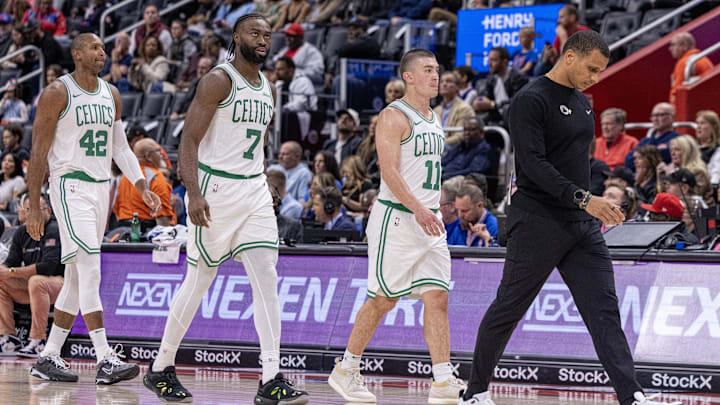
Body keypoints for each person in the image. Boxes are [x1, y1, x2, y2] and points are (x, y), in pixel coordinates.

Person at [459, 31, 680, 405]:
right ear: (571, 57)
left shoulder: (582, 103)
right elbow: (533, 165)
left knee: (604, 309)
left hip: (580, 224)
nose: (595, 77)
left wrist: (597, 198)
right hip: (537, 220)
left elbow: (575, 161)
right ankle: (475, 391)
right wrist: (583, 198)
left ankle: (632, 395)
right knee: (509, 307)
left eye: (600, 71)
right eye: (592, 68)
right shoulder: (530, 99)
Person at [142, 15, 308, 404]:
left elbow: (257, 144)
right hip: (214, 190)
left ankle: (271, 378)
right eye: (255, 33)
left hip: (252, 193)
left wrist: (263, 179)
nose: (263, 40)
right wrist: (194, 193)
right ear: (237, 37)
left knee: (266, 280)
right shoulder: (218, 80)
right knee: (199, 281)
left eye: (268, 35)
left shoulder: (267, 85)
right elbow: (189, 142)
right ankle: (161, 366)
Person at [329, 49, 466, 404]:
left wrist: (431, 206)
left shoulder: (434, 117)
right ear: (408, 77)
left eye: (437, 70)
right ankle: (346, 368)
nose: (436, 76)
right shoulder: (393, 115)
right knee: (383, 300)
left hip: (427, 220)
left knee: (437, 297)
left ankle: (441, 380)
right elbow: (388, 172)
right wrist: (419, 208)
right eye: (427, 70)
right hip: (398, 219)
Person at [25, 33, 161, 384]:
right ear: (77, 54)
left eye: (104, 48)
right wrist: (37, 204)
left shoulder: (111, 94)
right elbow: (38, 154)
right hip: (70, 185)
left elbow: (120, 148)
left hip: (102, 188)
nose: (102, 52)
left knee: (74, 278)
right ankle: (105, 357)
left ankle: (49, 356)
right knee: (90, 268)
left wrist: (142, 185)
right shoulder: (57, 92)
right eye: (95, 48)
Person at [0, 193, 63, 357]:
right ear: (22, 212)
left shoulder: (54, 229)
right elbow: (11, 261)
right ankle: (8, 337)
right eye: (29, 209)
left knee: (36, 281)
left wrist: (12, 272)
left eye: (37, 209)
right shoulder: (21, 232)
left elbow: (48, 267)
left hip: (61, 284)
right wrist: (4, 270)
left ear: (48, 211)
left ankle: (38, 340)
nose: (32, 213)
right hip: (32, 286)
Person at [114, 138, 177, 231]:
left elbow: (116, 211)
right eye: (158, 151)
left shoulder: (124, 177)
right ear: (148, 156)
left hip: (122, 231)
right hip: (145, 235)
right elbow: (162, 220)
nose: (162, 155)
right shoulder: (156, 178)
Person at [473, 46, 528, 126]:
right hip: (497, 116)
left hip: (514, 117)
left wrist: (493, 105)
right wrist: (479, 101)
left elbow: (517, 101)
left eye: (493, 60)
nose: (489, 63)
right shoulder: (491, 78)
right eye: (489, 60)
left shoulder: (518, 77)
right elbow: (485, 97)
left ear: (505, 62)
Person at [624, 103, 679, 170]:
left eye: (660, 115)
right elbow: (628, 161)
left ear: (672, 117)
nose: (655, 119)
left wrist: (641, 157)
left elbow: (665, 155)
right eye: (653, 116)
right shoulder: (644, 141)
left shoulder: (678, 139)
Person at [663, 135, 713, 206]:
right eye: (671, 150)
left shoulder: (698, 171)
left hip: (700, 212)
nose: (673, 153)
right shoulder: (673, 170)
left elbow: (691, 197)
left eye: (677, 150)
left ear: (688, 151)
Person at [668, 32, 713, 104]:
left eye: (673, 45)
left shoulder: (684, 63)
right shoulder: (704, 59)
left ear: (685, 45)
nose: (670, 49)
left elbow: (676, 95)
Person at [434, 71, 475, 146]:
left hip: (454, 150)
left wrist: (437, 145)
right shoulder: (436, 110)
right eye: (442, 81)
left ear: (457, 87)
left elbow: (460, 136)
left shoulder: (465, 108)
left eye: (448, 81)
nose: (444, 84)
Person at [454, 183, 497, 247]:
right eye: (458, 210)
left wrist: (487, 239)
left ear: (480, 206)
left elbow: (496, 255)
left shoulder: (493, 226)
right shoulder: (459, 224)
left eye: (464, 211)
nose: (460, 215)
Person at [699, 110, 720, 183]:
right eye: (697, 123)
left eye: (702, 123)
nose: (698, 127)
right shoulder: (694, 148)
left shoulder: (718, 150)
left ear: (714, 126)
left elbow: (716, 175)